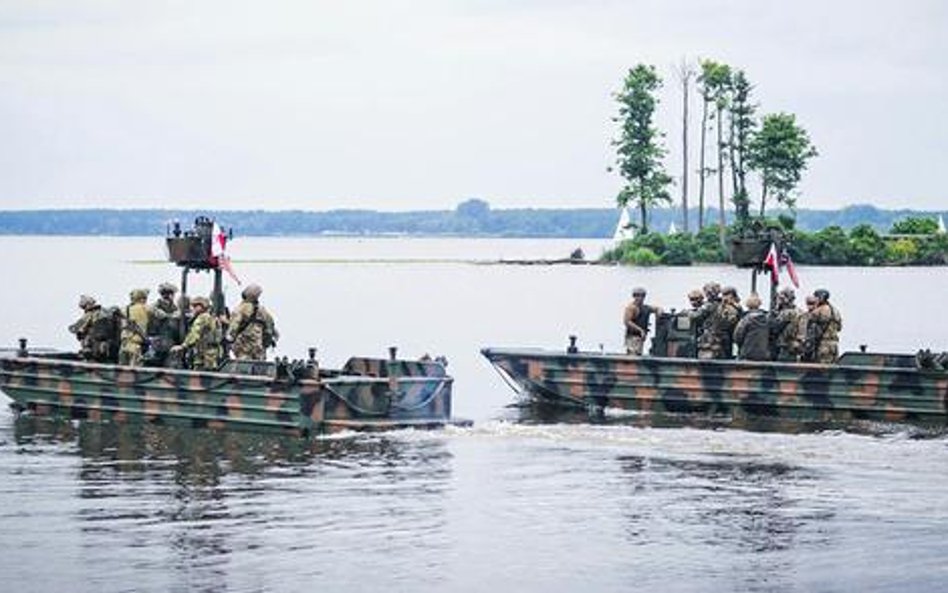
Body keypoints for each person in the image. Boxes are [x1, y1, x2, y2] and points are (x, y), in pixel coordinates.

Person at [227, 284, 279, 361]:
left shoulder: (241, 308)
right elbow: (273, 331)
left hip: (243, 346)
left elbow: (233, 327)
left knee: (243, 367)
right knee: (258, 368)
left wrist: (228, 340)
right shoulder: (263, 311)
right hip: (259, 349)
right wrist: (265, 343)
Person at [171, 296, 223, 370]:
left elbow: (195, 334)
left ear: (202, 306)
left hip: (203, 356)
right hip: (213, 355)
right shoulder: (212, 317)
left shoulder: (202, 318)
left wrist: (183, 346)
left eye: (195, 306)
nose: (193, 308)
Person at [68, 294, 116, 362]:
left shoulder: (89, 315)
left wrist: (72, 328)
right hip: (106, 347)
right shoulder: (105, 312)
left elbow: (76, 329)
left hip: (92, 348)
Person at [806, 288, 843, 364]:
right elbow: (839, 328)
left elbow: (810, 328)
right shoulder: (835, 311)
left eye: (816, 297)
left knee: (821, 372)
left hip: (823, 345)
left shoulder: (818, 311)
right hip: (834, 346)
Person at [147, 282, 180, 366]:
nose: (170, 296)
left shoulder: (175, 308)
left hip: (170, 342)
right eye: (166, 293)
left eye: (171, 293)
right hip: (156, 341)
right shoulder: (154, 307)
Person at [622, 287, 661, 355]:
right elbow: (627, 321)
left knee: (638, 354)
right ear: (634, 296)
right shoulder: (631, 307)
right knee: (633, 355)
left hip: (641, 338)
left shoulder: (645, 307)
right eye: (637, 295)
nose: (640, 298)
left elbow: (656, 308)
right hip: (633, 337)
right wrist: (640, 330)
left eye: (642, 295)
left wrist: (659, 313)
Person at [733, 293, 770, 360]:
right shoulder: (766, 319)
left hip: (747, 354)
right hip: (763, 355)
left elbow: (737, 336)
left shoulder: (746, 319)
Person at [119, 288, 151, 366]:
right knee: (135, 374)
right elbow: (160, 315)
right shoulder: (145, 308)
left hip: (123, 345)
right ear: (142, 298)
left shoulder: (124, 309)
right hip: (135, 345)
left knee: (121, 374)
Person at [771, 287, 802, 361]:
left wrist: (775, 311)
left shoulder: (787, 313)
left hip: (784, 346)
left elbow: (774, 329)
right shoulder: (799, 311)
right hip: (794, 346)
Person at [717, 286, 743, 359]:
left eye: (727, 295)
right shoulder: (720, 305)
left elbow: (733, 320)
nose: (725, 297)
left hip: (732, 334)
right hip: (721, 336)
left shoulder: (736, 307)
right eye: (723, 295)